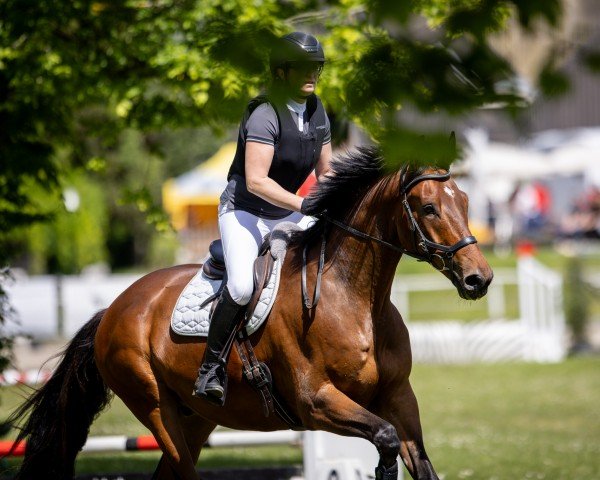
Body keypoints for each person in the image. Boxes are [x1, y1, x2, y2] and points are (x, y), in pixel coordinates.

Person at [193, 31, 333, 404]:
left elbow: (327, 174)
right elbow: (255, 181)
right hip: (244, 210)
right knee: (241, 286)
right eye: (303, 67)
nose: (312, 74)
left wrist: (335, 204)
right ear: (282, 72)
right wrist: (304, 205)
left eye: (316, 67)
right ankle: (211, 368)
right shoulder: (265, 114)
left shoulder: (318, 112)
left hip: (286, 211)